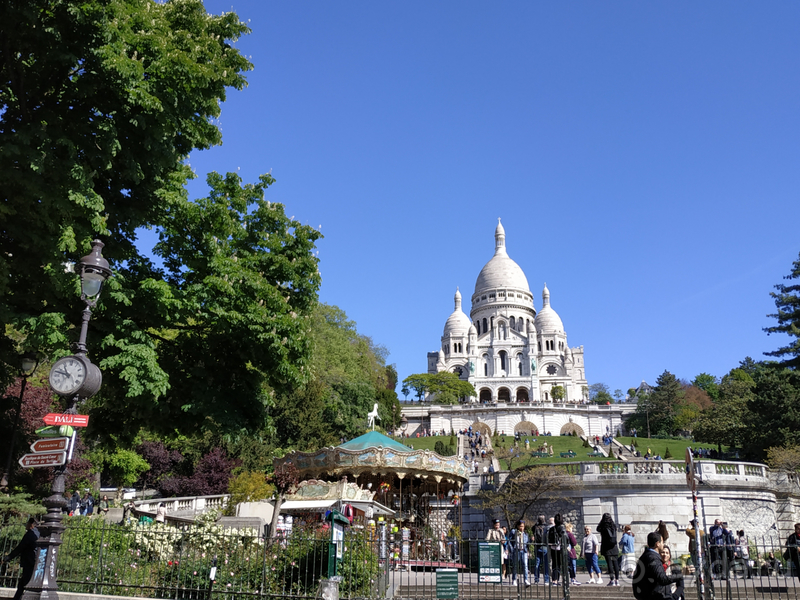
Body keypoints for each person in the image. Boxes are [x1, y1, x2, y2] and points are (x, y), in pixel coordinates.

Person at [631, 532, 684, 600]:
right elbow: (662, 579)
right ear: (657, 544)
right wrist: (679, 576)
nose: (663, 544)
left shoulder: (647, 555)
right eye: (662, 542)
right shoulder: (652, 558)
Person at [2, 518, 40, 600]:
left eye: (27, 523)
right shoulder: (39, 533)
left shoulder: (30, 534)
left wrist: (6, 558)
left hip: (29, 563)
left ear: (31, 525)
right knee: (25, 584)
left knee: (23, 585)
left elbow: (19, 548)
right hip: (37, 564)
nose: (26, 525)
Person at [597, 512, 620, 586]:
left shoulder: (603, 527)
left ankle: (612, 580)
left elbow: (597, 529)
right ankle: (617, 580)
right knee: (615, 563)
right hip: (614, 547)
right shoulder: (613, 526)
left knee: (609, 564)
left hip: (607, 548)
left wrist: (602, 522)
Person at [510, 520, 531, 587]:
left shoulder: (525, 534)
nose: (522, 528)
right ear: (518, 526)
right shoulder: (514, 532)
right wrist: (512, 549)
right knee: (515, 565)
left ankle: (526, 580)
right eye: (521, 526)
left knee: (525, 565)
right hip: (516, 550)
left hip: (523, 550)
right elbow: (510, 541)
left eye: (523, 526)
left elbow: (527, 543)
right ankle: (514, 579)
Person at [548, 513, 565, 587]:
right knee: (558, 565)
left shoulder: (551, 528)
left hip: (552, 547)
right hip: (559, 547)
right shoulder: (561, 528)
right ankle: (556, 580)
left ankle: (553, 579)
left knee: (554, 564)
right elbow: (565, 538)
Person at [533, 515, 550, 584]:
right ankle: (546, 580)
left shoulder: (535, 527)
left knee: (537, 564)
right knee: (546, 564)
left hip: (537, 546)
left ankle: (536, 579)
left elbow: (532, 529)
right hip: (545, 546)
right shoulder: (547, 527)